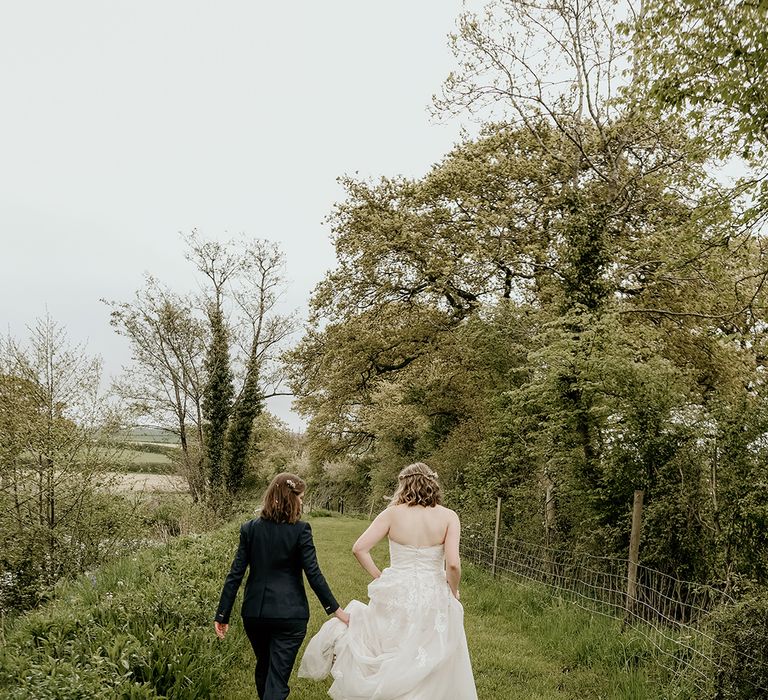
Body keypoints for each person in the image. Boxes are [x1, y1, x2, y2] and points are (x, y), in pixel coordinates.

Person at [299, 462, 478, 699]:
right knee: (430, 651)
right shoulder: (448, 517)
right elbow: (453, 564)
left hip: (397, 591)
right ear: (432, 483)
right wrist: (452, 591)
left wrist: (380, 576)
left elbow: (359, 548)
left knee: (393, 647)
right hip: (433, 591)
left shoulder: (392, 514)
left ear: (404, 484)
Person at [214, 472, 349, 700]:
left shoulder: (249, 528)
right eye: (300, 497)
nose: (302, 502)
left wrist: (222, 613)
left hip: (254, 614)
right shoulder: (300, 530)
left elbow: (235, 574)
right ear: (290, 498)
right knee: (276, 679)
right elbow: (313, 573)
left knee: (264, 668)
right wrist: (337, 611)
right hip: (290, 615)